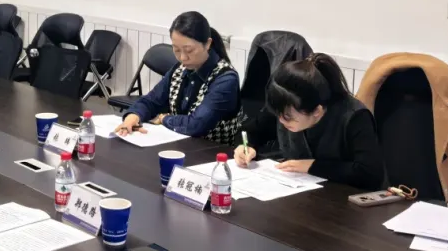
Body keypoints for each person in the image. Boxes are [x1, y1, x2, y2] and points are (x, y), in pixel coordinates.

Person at [234, 53, 383, 189]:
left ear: (317, 111)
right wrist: (245, 147)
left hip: (341, 199)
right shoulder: (286, 105)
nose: (280, 120)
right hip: (298, 193)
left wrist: (312, 166)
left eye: (288, 117)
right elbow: (249, 130)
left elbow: (369, 174)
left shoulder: (354, 117)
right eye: (278, 114)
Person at [115, 11, 243, 143]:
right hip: (178, 145)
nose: (182, 57)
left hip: (211, 151)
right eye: (176, 50)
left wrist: (164, 119)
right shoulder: (179, 69)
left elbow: (197, 124)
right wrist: (133, 116)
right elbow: (151, 101)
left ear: (208, 44)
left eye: (189, 50)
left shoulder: (225, 78)